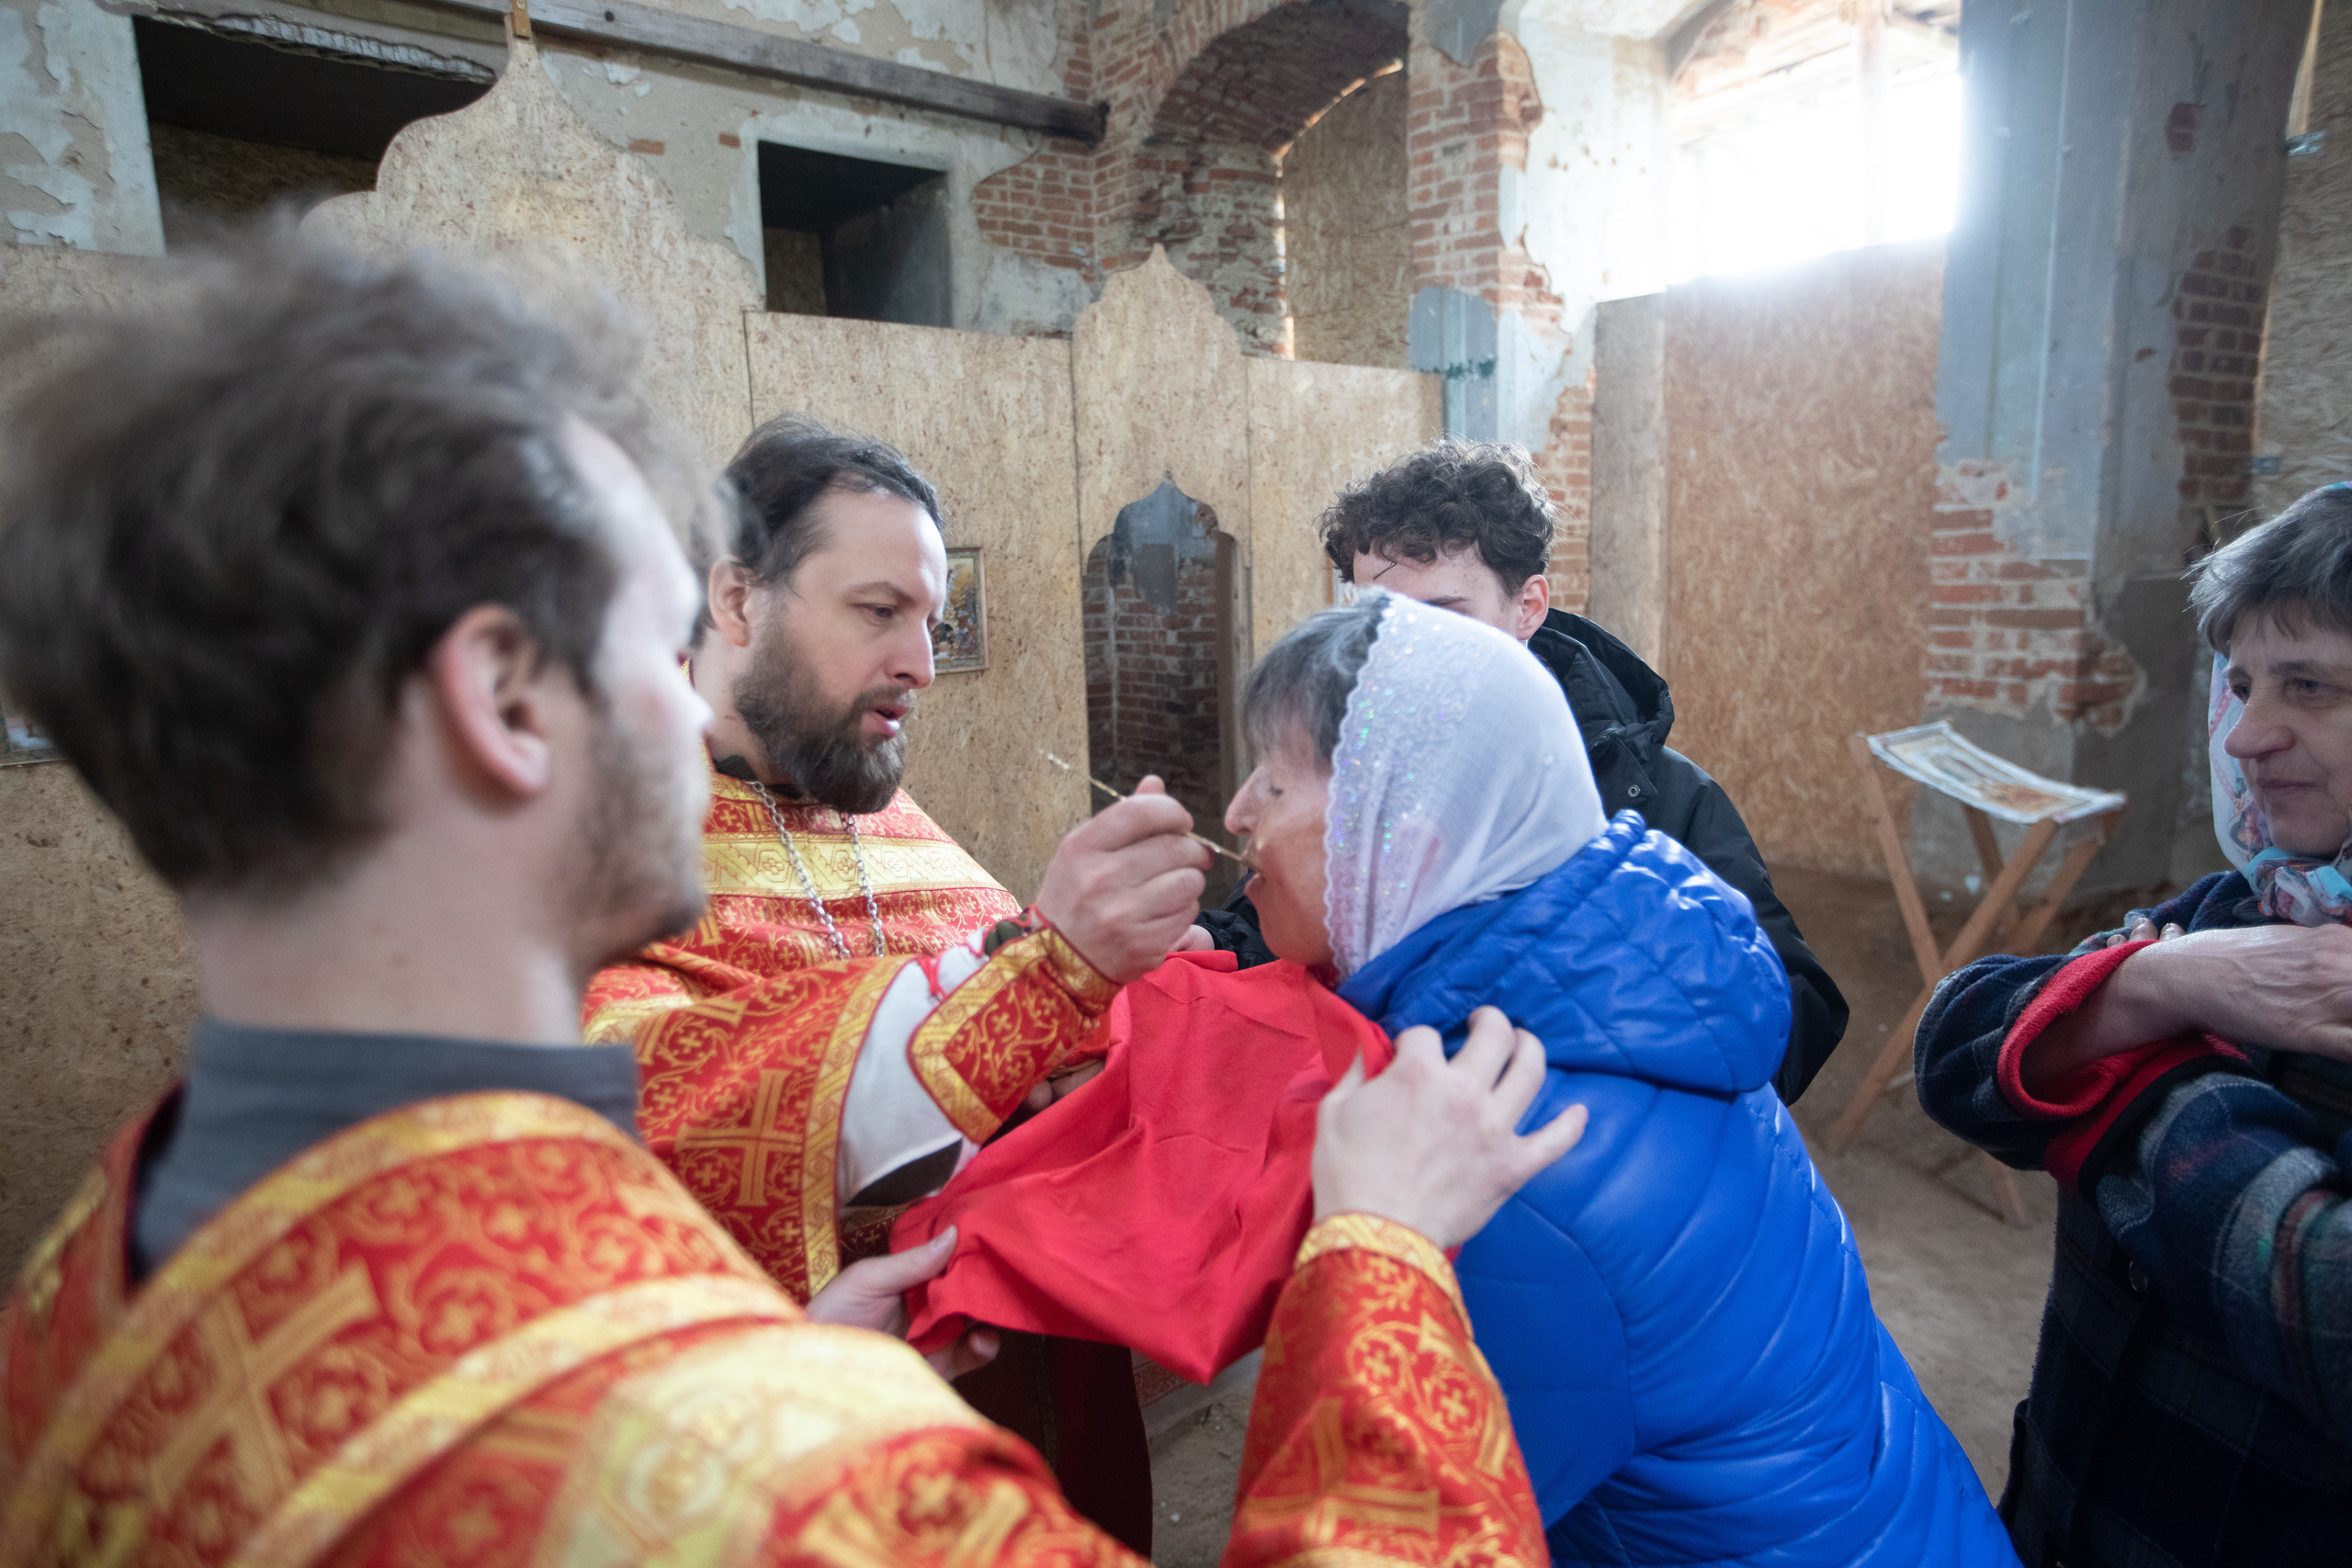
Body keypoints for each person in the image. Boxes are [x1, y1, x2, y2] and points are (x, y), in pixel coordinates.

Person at [0, 231, 1576, 1566]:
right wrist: (1380, 1255)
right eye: (652, 634)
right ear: (499, 697)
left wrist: (780, 1338)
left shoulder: (86, 1273)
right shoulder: (818, 1485)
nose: (695, 713)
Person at [1217, 590, 2017, 1564]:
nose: (1235, 813)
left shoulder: (1498, 1160)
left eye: (1274, 782)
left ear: (1399, 839)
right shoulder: (1619, 965)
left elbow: (1396, 1526)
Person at [579, 415, 1206, 1543]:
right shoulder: (600, 836)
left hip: (1007, 1426)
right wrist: (1045, 975)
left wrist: (1133, 1009)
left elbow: (1010, 1040)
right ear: (735, 601)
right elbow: (635, 1118)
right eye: (879, 613)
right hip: (768, 1475)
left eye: (931, 618)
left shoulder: (869, 803)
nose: (921, 664)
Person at [1915, 482, 2352, 1567]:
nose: (2247, 733)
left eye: (2308, 685)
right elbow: (1956, 1051)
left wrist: (2125, 1077)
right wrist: (2158, 989)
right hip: (2069, 1509)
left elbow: (2328, 1314)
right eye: (2242, 682)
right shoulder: (2240, 910)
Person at [1202, 441, 1848, 1101]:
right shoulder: (1348, 763)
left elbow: (1794, 1013)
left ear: (1529, 607)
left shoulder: (1658, 794)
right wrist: (1207, 941)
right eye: (1381, 621)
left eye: (1443, 619)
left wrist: (1577, 1018)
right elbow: (1278, 920)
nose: (1406, 655)